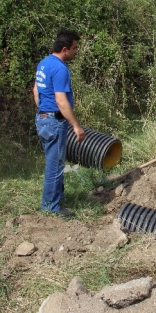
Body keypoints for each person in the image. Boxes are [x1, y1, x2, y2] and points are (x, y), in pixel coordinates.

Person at [33, 30, 85, 217]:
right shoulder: (60, 68)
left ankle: (57, 197)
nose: (76, 51)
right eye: (74, 48)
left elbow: (36, 90)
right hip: (54, 122)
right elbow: (61, 100)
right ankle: (50, 207)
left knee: (55, 162)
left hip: (44, 119)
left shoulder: (44, 63)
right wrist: (76, 126)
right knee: (54, 166)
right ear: (65, 49)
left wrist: (43, 112)